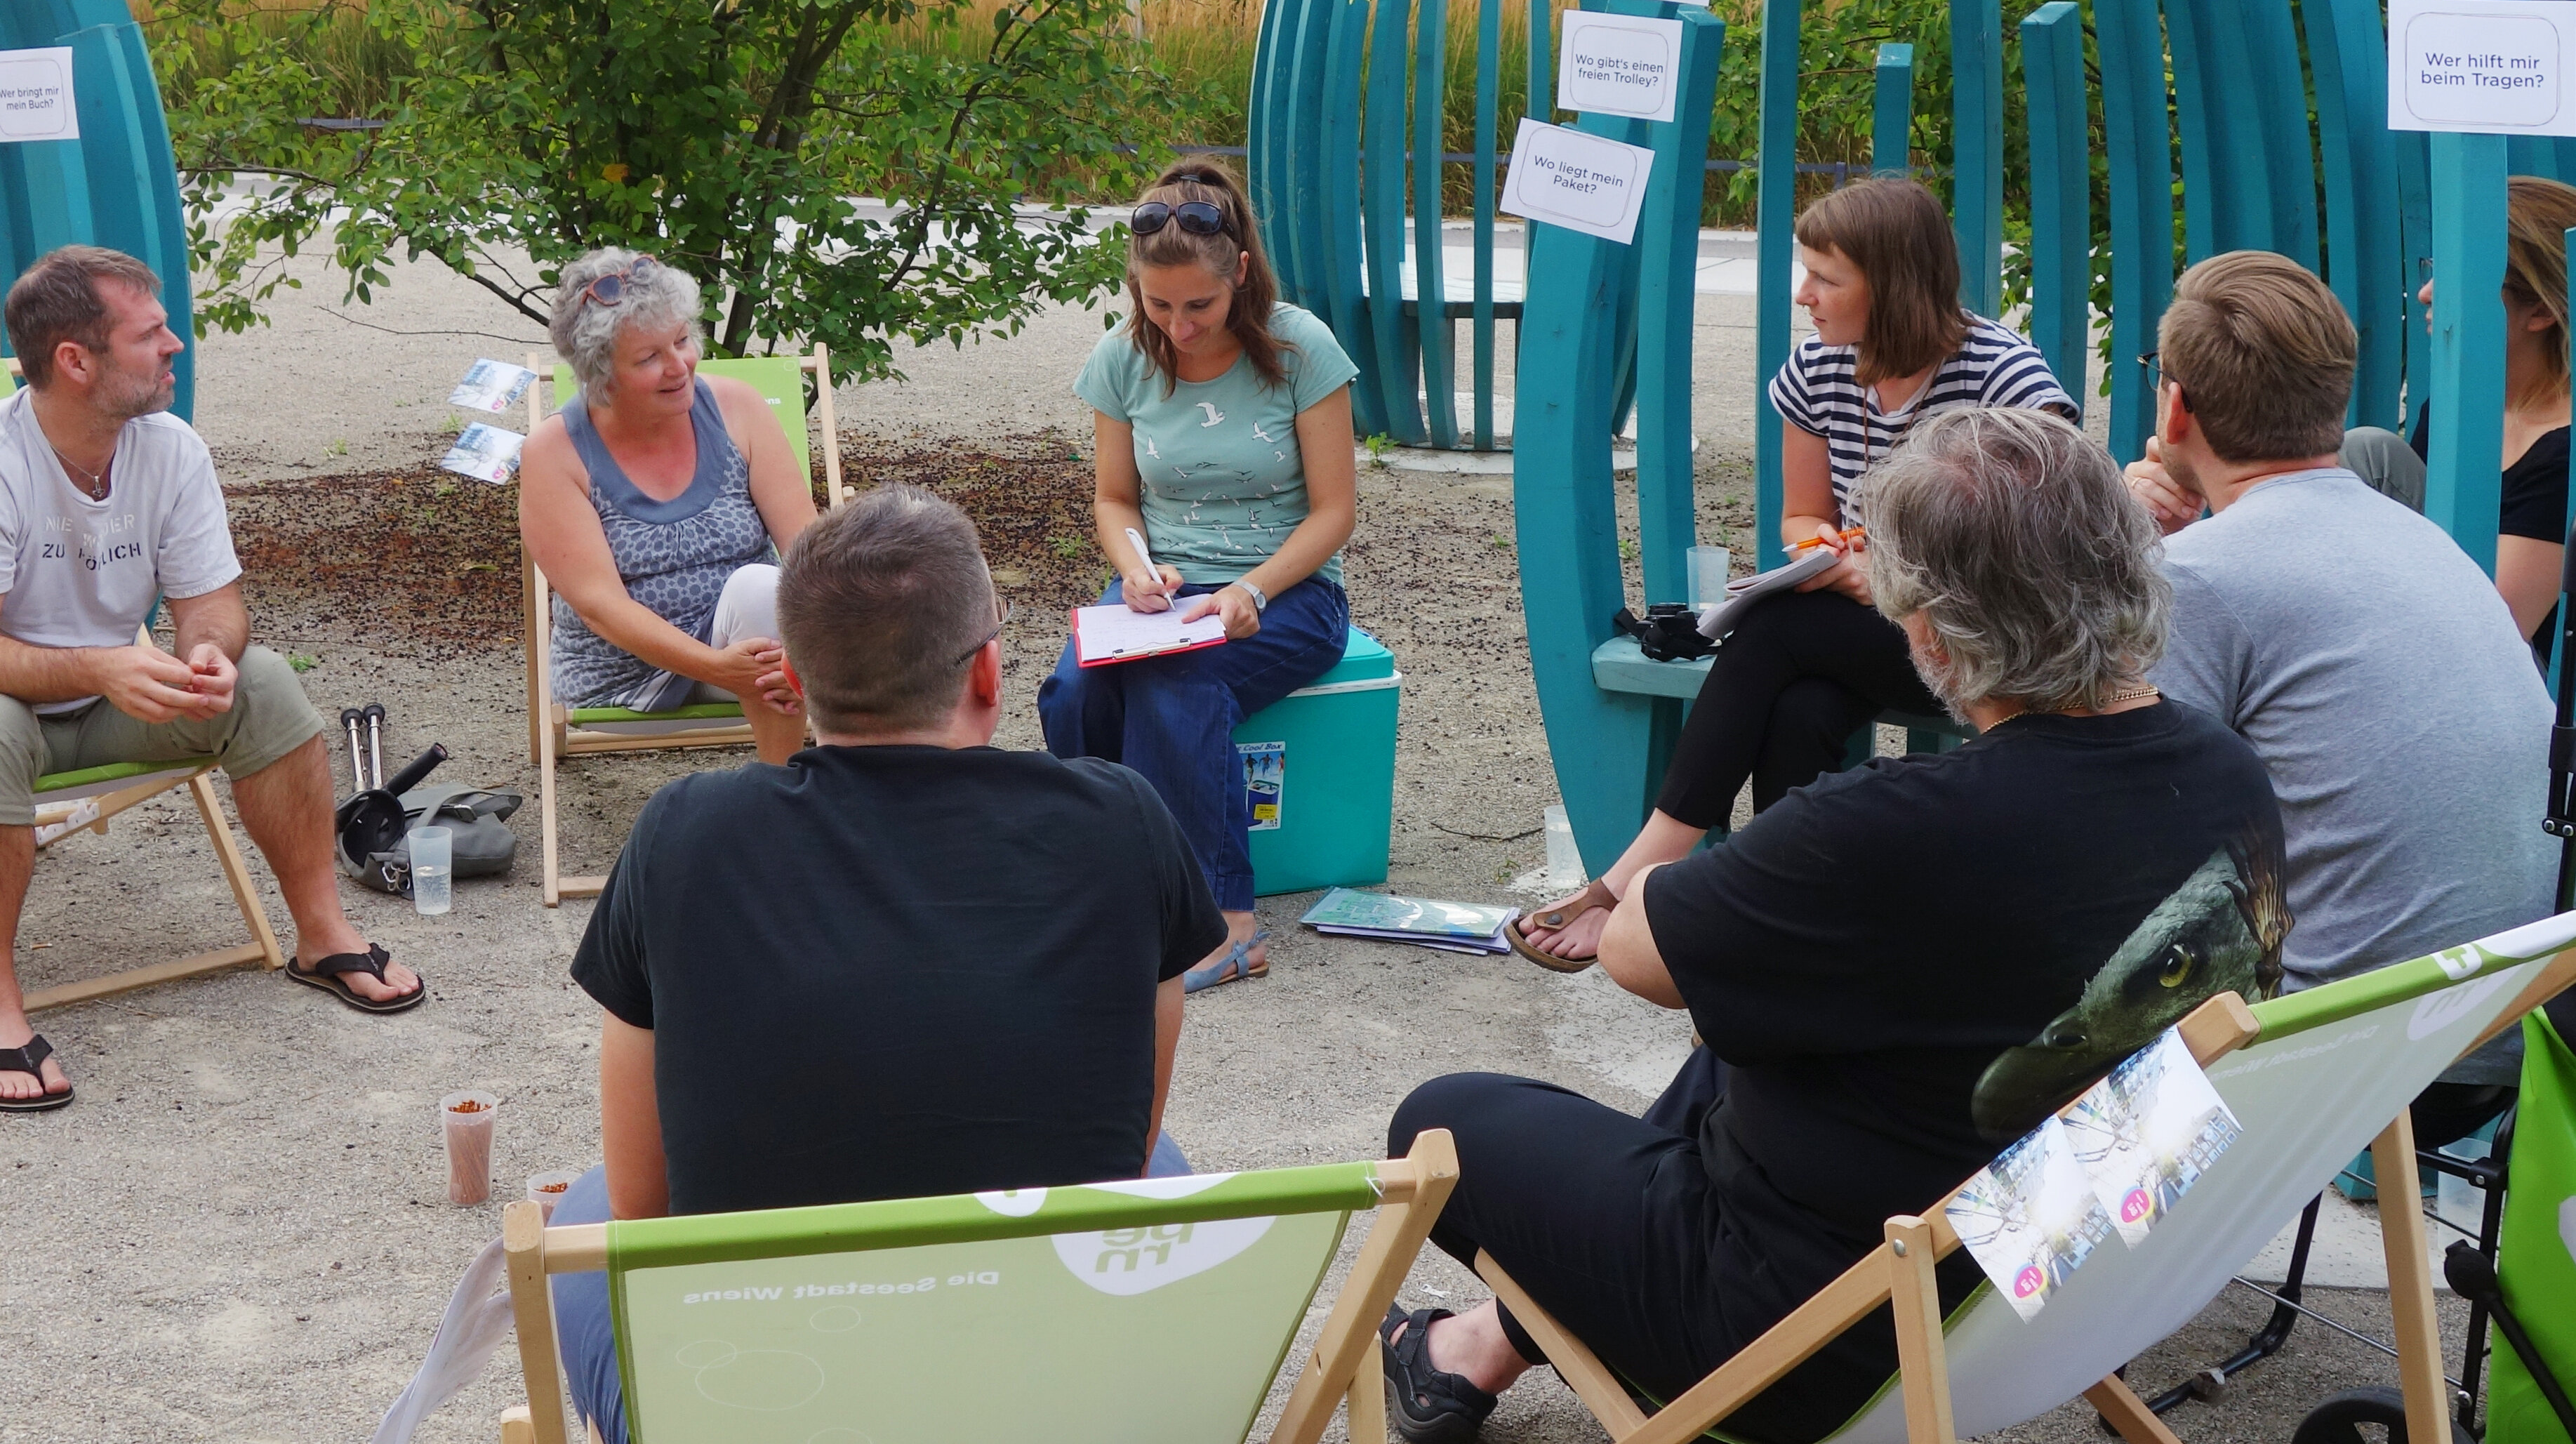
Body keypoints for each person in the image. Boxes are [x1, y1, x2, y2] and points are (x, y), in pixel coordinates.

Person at [1381, 408, 2287, 1444]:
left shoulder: (1889, 827)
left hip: (1820, 1336)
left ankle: (1507, 1335)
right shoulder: (2227, 772)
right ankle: (1474, 1346)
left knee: (1440, 1119)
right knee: (1755, 1024)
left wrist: (1651, 883)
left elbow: (1634, 950)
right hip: (2063, 1281)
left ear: (1933, 632)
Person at [548, 486, 1224, 1443]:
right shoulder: (1122, 822)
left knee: (584, 1206)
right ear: (986, 668)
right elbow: (1121, 1142)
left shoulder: (683, 836)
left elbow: (649, 1208)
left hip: (764, 1402)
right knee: (1162, 1160)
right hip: (1047, 1391)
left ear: (792, 676)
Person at [1515, 175, 2075, 969]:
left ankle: (1639, 875)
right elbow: (1800, 517)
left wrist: (1882, 576)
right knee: (1797, 707)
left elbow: (2042, 547)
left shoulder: (2003, 377)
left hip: (1982, 649)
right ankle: (1791, 931)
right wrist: (1829, 552)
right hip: (1872, 641)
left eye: (1826, 277)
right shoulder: (1818, 370)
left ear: (1893, 287)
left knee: (1775, 626)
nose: (1804, 294)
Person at [2125, 250, 2555, 1134]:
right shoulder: (2420, 540)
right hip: (2503, 1029)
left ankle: (1978, 1270)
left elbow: (2098, 823)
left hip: (2339, 1057)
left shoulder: (2204, 576)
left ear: (2175, 406)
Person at [0, 248, 424, 1112]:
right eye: (150, 333)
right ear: (75, 362)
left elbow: (216, 603)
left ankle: (321, 935)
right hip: (21, 707)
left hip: (128, 697)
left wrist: (204, 653)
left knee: (261, 680)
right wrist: (98, 665)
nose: (176, 345)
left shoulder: (169, 446)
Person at [1039, 161, 1358, 992]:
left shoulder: (1301, 347)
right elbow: (1114, 499)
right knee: (1074, 690)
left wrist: (1250, 588)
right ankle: (1113, 884)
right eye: (1157, 304)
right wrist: (1136, 567)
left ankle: (1224, 922)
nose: (1177, 326)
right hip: (1165, 594)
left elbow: (1334, 513)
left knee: (1175, 683)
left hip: (1287, 591)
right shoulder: (1120, 357)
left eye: (1199, 305)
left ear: (1240, 274)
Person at [518, 249, 813, 764]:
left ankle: (801, 785)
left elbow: (811, 550)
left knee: (791, 590)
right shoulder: (555, 453)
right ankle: (784, 795)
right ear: (601, 375)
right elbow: (601, 609)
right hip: (623, 675)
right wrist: (718, 666)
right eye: (649, 358)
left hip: (752, 645)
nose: (680, 367)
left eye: (682, 340)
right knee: (763, 592)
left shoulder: (738, 408)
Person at [2338, 175, 2576, 660]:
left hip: (2505, 678)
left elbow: (2490, 632)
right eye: (2435, 266)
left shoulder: (2565, 452)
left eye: (2460, 274)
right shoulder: (2455, 407)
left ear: (2540, 313)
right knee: (2367, 452)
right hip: (2418, 629)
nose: (2427, 293)